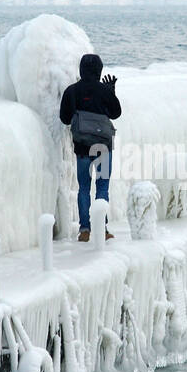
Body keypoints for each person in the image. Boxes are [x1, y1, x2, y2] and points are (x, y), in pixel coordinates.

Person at [59, 53, 121, 241]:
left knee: (84, 188)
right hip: (103, 148)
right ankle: (102, 228)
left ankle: (85, 229)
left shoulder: (72, 91)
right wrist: (110, 91)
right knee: (102, 188)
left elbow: (64, 118)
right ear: (99, 70)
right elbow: (116, 113)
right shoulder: (104, 90)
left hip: (82, 148)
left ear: (81, 69)